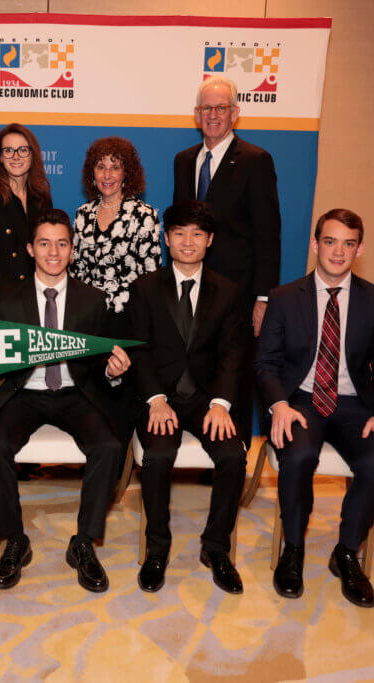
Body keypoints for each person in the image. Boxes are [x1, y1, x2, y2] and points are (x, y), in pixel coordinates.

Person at [0, 209, 132, 593]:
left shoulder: (93, 299)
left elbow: (101, 365)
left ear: (72, 250)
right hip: (25, 393)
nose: (53, 252)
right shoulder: (7, 298)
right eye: (44, 243)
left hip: (76, 393)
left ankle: (83, 542)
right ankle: (14, 540)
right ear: (30, 249)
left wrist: (113, 371)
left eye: (61, 244)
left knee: (109, 446)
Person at [256, 208, 374, 608]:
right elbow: (265, 362)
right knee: (299, 455)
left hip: (355, 403)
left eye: (348, 243)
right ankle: (293, 549)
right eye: (330, 241)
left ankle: (347, 553)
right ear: (315, 244)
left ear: (359, 249)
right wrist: (279, 404)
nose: (338, 252)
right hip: (300, 399)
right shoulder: (284, 298)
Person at [127, 201, 247, 594]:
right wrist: (155, 398)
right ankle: (157, 549)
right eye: (179, 233)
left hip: (206, 399)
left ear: (210, 240)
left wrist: (222, 404)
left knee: (233, 457)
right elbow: (139, 350)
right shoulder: (145, 288)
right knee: (159, 456)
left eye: (197, 233)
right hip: (160, 398)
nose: (188, 241)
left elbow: (233, 353)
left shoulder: (227, 291)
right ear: (166, 238)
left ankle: (216, 548)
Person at [174, 75, 281, 446]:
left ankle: (232, 454)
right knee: (197, 364)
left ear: (235, 113)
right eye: (207, 108)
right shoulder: (184, 161)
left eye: (221, 107)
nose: (213, 115)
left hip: (239, 293)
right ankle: (203, 444)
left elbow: (268, 235)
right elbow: (180, 228)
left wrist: (263, 298)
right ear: (196, 114)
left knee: (234, 371)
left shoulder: (255, 161)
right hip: (193, 287)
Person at [72, 136, 161, 316]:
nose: (107, 175)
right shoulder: (83, 214)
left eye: (115, 167)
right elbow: (76, 272)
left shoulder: (143, 215)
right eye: (101, 167)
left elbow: (151, 277)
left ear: (126, 173)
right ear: (92, 172)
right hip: (87, 316)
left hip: (129, 317)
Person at [0, 123, 53, 318]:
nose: (16, 156)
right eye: (8, 150)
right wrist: (18, 299)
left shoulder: (42, 199)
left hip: (36, 305)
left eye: (23, 150)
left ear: (32, 155)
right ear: (0, 157)